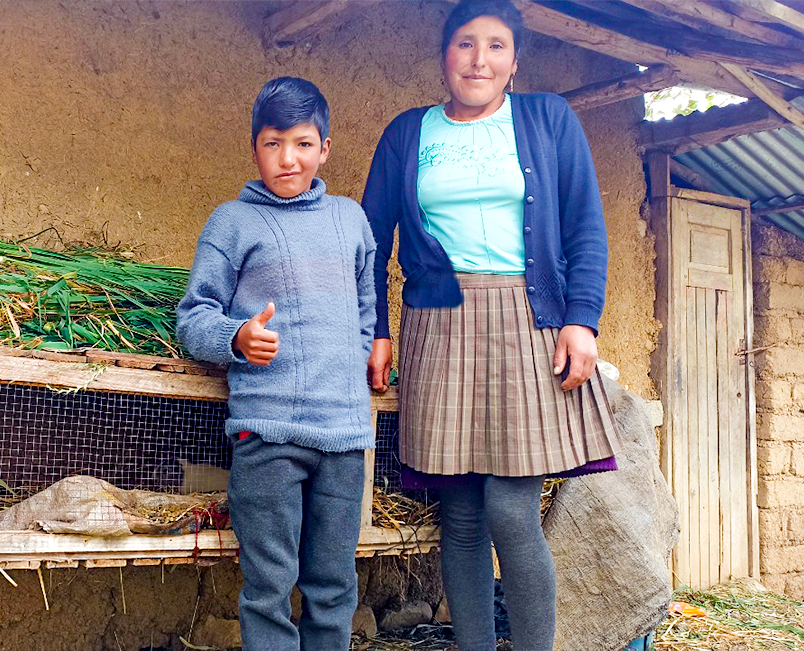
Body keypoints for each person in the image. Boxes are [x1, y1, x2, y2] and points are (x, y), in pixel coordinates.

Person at [361, 2, 621, 649]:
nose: (480, 60)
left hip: (529, 324)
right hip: (438, 326)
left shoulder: (547, 121)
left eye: (496, 46)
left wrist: (580, 320)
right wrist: (377, 328)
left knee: (509, 505)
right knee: (463, 514)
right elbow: (371, 240)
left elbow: (586, 226)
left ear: (515, 59)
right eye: (466, 44)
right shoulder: (407, 133)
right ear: (444, 55)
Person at [177, 76, 377, 651]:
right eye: (272, 143)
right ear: (254, 147)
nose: (288, 159)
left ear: (325, 148)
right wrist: (237, 336)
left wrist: (349, 362)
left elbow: (366, 309)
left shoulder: (350, 219)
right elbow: (193, 317)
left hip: (342, 435)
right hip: (266, 435)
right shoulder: (230, 222)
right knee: (267, 589)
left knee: (334, 587)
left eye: (302, 143)